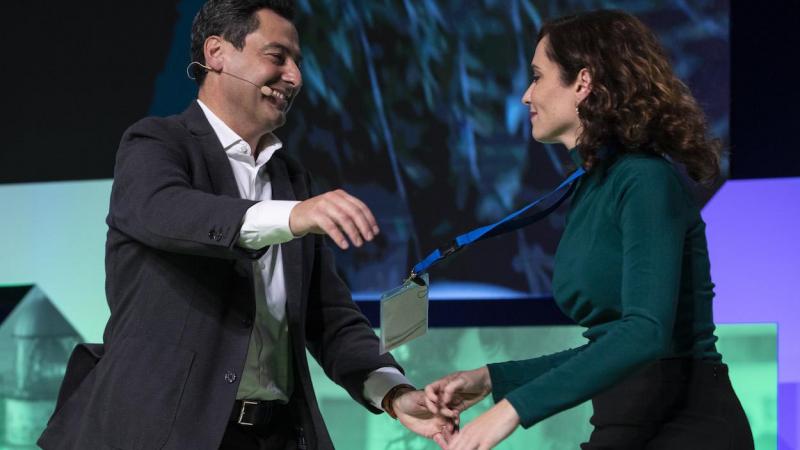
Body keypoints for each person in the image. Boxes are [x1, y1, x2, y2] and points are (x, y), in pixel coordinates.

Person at [37, 1, 454, 449]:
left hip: (276, 435)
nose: (294, 77)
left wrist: (393, 392)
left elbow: (328, 316)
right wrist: (293, 216)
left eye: (297, 63)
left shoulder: (292, 179)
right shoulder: (156, 142)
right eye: (277, 58)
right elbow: (164, 211)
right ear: (216, 54)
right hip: (165, 433)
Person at [424, 9, 754, 450]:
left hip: (685, 429)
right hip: (628, 424)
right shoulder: (598, 183)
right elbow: (611, 346)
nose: (525, 95)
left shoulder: (644, 179)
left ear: (582, 83)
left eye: (538, 77)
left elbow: (645, 335)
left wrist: (512, 410)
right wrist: (494, 380)